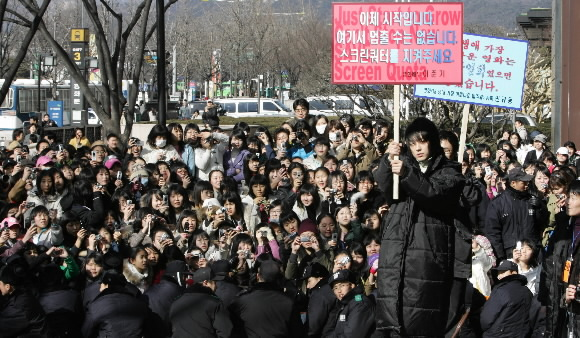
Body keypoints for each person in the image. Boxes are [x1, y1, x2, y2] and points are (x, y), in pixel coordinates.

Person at [373, 117, 465, 337]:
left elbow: (433, 193)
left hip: (427, 257)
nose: (418, 148)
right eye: (412, 143)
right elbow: (385, 187)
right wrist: (388, 159)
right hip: (396, 254)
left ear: (432, 141)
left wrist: (406, 174)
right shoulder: (404, 165)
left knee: (421, 320)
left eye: (422, 142)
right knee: (394, 318)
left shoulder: (449, 171)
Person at [229, 259, 305, 337]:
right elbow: (297, 332)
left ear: (258, 276)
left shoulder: (242, 301)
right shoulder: (288, 302)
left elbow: (234, 330)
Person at [484, 168, 547, 261]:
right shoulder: (498, 203)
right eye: (523, 182)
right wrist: (501, 258)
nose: (527, 185)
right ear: (513, 183)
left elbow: (542, 223)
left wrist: (540, 208)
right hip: (510, 254)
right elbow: (493, 233)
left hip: (533, 253)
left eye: (528, 182)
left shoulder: (532, 200)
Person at [82, 270, 160, 338]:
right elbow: (150, 328)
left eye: (101, 284)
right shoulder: (140, 304)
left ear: (106, 285)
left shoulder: (96, 306)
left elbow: (86, 332)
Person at [169, 266, 233, 338]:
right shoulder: (215, 303)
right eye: (214, 283)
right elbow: (225, 332)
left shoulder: (176, 301)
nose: (216, 287)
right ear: (205, 283)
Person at [480, 260, 532, 337]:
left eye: (503, 272)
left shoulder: (501, 291)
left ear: (514, 273)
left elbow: (486, 320)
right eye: (499, 273)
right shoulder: (527, 291)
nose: (499, 276)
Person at [327, 269, 375, 338]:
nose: (339, 291)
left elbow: (352, 335)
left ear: (352, 285)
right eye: (335, 288)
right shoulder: (345, 304)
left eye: (342, 285)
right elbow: (336, 332)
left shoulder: (360, 304)